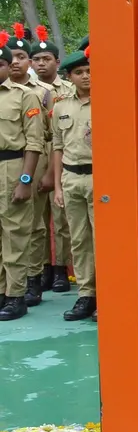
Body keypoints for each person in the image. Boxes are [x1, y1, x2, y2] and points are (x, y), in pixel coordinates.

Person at [0, 31, 44, 322]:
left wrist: (25, 181)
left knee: (15, 234)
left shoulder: (25, 95)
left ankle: (16, 296)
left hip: (12, 167)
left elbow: (34, 142)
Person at [50, 49, 95, 322]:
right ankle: (85, 294)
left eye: (89, 71)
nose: (86, 76)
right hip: (70, 177)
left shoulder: (106, 101)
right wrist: (57, 187)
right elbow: (57, 147)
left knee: (102, 237)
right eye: (79, 73)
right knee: (78, 239)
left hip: (98, 176)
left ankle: (106, 294)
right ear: (70, 77)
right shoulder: (61, 107)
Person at [27, 30, 69, 293]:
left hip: (62, 153)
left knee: (61, 216)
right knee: (36, 217)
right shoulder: (27, 91)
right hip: (37, 153)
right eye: (36, 59)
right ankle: (42, 267)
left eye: (46, 58)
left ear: (56, 61)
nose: (41, 63)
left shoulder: (70, 88)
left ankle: (61, 269)